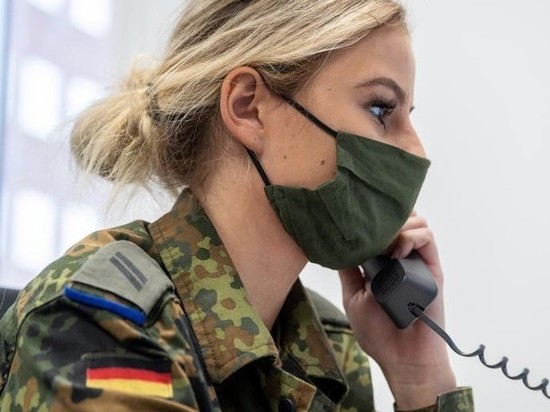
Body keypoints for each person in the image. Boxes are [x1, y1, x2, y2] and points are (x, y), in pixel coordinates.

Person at [0, 0, 474, 410]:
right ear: (248, 106)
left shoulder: (331, 345)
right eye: (380, 108)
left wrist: (420, 378)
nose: (416, 150)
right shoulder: (104, 322)